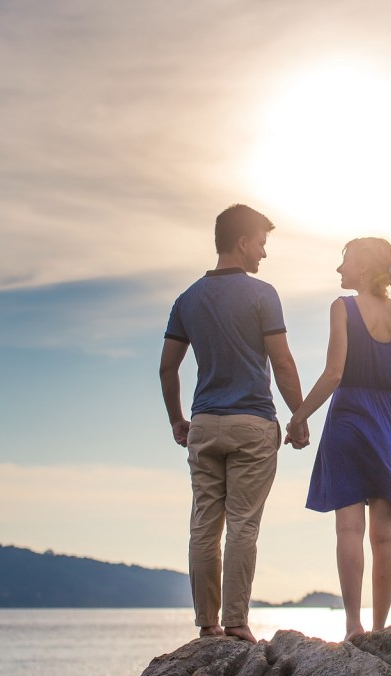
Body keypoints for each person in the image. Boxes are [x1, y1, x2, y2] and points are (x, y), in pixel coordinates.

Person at [159, 204, 309, 643]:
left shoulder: (187, 300)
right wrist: (298, 416)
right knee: (243, 523)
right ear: (243, 242)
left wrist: (176, 420)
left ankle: (208, 626)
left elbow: (168, 368)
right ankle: (237, 623)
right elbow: (281, 361)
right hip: (252, 425)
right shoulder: (263, 295)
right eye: (261, 242)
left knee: (205, 524)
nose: (263, 253)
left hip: (204, 424)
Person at [287, 237, 391, 641]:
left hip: (349, 418)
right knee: (387, 534)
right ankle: (381, 629)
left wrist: (298, 416)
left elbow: (333, 374)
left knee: (349, 531)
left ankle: (353, 626)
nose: (339, 270)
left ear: (362, 268)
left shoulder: (342, 308)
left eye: (344, 262)